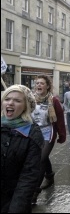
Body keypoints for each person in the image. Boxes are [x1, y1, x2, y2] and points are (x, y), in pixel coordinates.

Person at [1, 85, 44, 213]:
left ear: (26, 106)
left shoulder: (32, 133)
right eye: (7, 99)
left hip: (14, 200)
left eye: (17, 100)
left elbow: (29, 176)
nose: (10, 103)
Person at [31, 75, 66, 204]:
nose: (39, 85)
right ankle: (50, 175)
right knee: (43, 157)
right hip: (34, 132)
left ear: (47, 86)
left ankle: (34, 192)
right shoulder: (30, 99)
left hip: (48, 132)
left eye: (41, 83)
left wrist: (62, 135)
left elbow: (60, 119)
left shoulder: (54, 100)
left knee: (40, 160)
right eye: (37, 83)